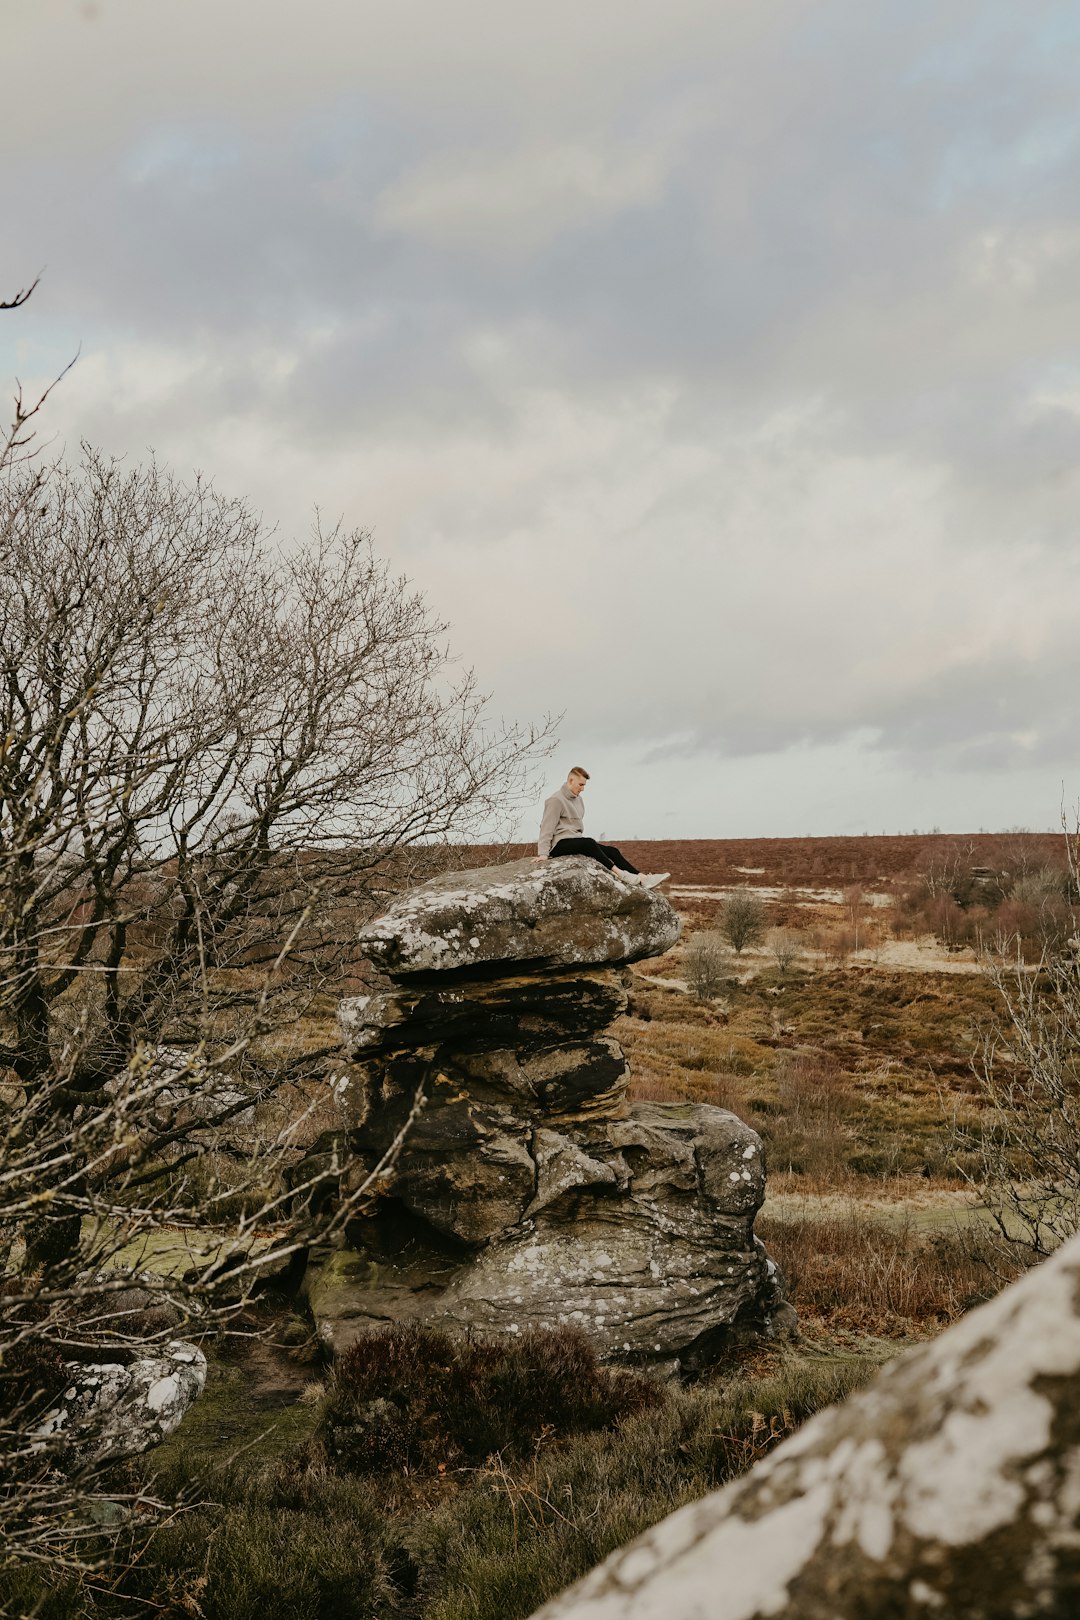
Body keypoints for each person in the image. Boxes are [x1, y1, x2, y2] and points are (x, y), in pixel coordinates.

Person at [534, 767, 669, 889]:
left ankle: (644, 878)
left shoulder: (578, 800)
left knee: (612, 851)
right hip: (558, 845)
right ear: (570, 780)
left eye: (584, 785)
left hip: (575, 841)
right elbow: (547, 827)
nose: (583, 789)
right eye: (581, 785)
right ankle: (620, 873)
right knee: (589, 843)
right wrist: (543, 854)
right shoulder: (555, 800)